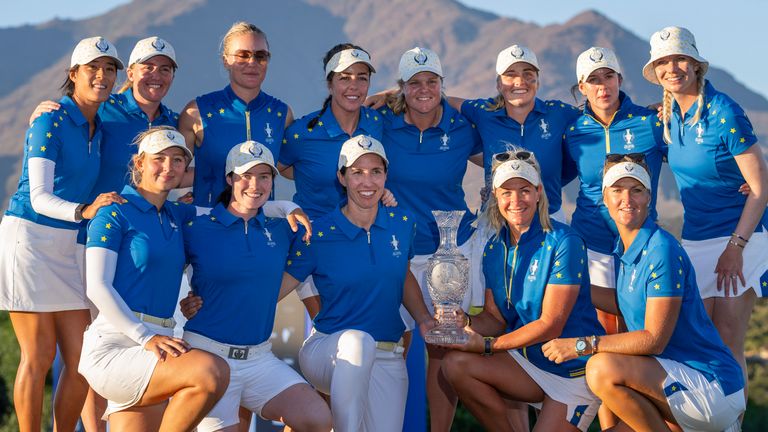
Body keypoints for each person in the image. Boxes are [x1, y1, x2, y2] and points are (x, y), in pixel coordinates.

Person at [542, 158, 746, 432]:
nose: (627, 198)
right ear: (605, 197)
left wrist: (579, 345)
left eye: (636, 189)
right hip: (676, 380)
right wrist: (568, 288)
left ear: (649, 197)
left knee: (600, 367)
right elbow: (624, 302)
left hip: (709, 385)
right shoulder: (627, 248)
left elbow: (654, 340)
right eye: (617, 190)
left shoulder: (661, 249)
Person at [0, 36, 125, 432]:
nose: (102, 76)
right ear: (74, 75)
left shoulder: (100, 126)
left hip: (69, 246)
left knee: (83, 358)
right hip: (29, 240)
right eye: (93, 68)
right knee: (37, 356)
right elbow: (38, 197)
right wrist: (84, 211)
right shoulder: (50, 117)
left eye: (109, 69)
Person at [440, 149, 604, 432]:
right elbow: (495, 318)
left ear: (539, 192)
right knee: (455, 365)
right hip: (529, 363)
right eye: (506, 192)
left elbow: (551, 324)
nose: (516, 200)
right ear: (495, 196)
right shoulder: (494, 248)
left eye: (524, 190)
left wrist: (488, 345)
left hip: (572, 368)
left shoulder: (564, 240)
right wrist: (464, 321)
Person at [644, 26, 768, 396]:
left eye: (680, 58)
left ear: (696, 65)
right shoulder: (667, 118)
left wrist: (735, 247)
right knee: (703, 341)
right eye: (663, 62)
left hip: (740, 237)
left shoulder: (725, 111)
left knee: (729, 341)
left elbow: (760, 188)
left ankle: (733, 422)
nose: (672, 68)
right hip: (695, 240)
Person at [79, 127, 229, 430]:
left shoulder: (177, 215)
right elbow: (97, 286)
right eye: (159, 158)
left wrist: (288, 208)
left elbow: (239, 211)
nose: (169, 167)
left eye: (177, 160)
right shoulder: (114, 212)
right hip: (118, 345)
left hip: (159, 343)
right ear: (139, 163)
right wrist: (145, 337)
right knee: (212, 371)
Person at [283, 135, 434, 432]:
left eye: (375, 171)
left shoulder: (403, 222)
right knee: (357, 341)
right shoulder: (318, 232)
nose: (368, 181)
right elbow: (277, 288)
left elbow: (400, 274)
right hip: (328, 350)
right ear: (342, 177)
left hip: (388, 355)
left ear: (386, 176)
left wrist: (424, 319)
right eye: (357, 172)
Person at [181, 141, 331, 432]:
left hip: (259, 359)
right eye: (245, 176)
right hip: (209, 357)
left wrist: (290, 206)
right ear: (229, 179)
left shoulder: (284, 229)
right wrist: (183, 303)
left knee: (318, 419)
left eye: (264, 176)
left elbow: (304, 264)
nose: (255, 184)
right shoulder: (197, 227)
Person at [378, 46, 482, 431]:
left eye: (432, 82)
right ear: (402, 88)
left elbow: (497, 141)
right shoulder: (382, 125)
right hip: (399, 255)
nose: (424, 90)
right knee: (397, 348)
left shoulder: (461, 128)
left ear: (442, 85)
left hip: (448, 255)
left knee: (442, 350)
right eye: (415, 83)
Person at [564, 47, 665, 370]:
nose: (602, 86)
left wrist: (740, 180)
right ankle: (609, 422)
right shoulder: (574, 130)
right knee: (603, 341)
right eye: (593, 80)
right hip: (591, 244)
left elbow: (695, 155)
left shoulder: (650, 122)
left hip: (639, 243)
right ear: (582, 88)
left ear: (620, 79)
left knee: (640, 335)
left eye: (608, 76)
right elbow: (552, 174)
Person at [179, 22, 293, 208]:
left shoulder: (282, 113)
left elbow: (294, 169)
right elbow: (172, 173)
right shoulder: (198, 111)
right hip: (209, 225)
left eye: (260, 56)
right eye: (243, 55)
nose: (252, 63)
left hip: (261, 227)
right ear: (226, 60)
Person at [278, 43, 383, 220]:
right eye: (344, 78)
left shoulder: (377, 121)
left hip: (365, 236)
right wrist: (308, 174)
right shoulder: (303, 132)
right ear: (330, 83)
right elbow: (280, 168)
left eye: (362, 78)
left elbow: (419, 97)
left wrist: (389, 93)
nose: (354, 86)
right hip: (316, 236)